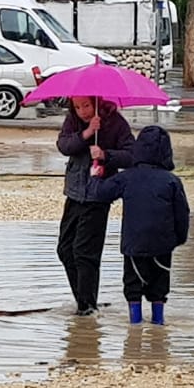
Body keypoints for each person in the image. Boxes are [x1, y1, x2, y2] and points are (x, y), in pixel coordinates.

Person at [91, 125, 191, 326]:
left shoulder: (127, 177)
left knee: (133, 285)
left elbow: (100, 194)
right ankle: (158, 323)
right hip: (163, 244)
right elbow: (182, 214)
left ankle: (134, 326)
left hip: (134, 243)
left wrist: (94, 176)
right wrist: (178, 239)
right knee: (159, 287)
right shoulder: (172, 181)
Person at [55, 97, 135, 316]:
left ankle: (87, 306)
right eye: (77, 107)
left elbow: (131, 155)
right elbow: (64, 145)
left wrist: (105, 155)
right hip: (74, 193)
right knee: (65, 249)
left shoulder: (116, 122)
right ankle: (85, 299)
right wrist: (87, 133)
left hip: (99, 195)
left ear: (96, 102)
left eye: (86, 106)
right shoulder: (73, 120)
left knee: (85, 252)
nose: (82, 111)